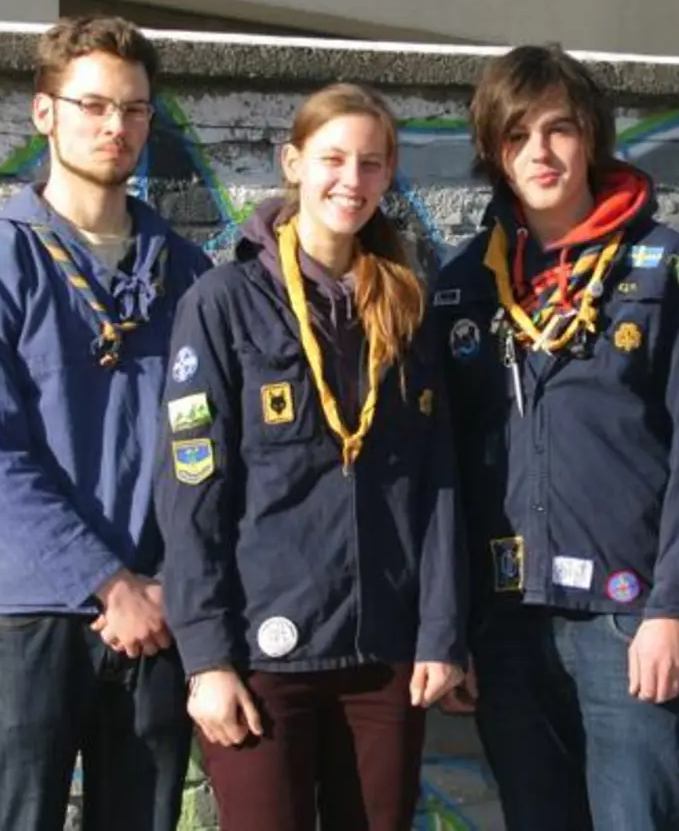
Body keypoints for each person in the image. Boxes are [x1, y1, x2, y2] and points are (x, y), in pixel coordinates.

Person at [431, 43, 679, 830]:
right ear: (494, 151)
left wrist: (671, 608)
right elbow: (443, 473)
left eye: (559, 129)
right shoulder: (463, 285)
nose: (540, 152)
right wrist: (453, 628)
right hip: (504, 624)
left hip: (626, 617)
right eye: (517, 135)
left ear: (591, 137)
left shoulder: (666, 271)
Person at [154, 82, 467, 831]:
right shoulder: (224, 302)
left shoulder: (405, 306)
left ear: (388, 175)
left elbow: (439, 483)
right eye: (332, 159)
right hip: (263, 655)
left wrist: (442, 633)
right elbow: (192, 492)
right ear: (292, 163)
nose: (351, 180)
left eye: (370, 163)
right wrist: (206, 660)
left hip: (385, 653)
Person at [0, 15, 213, 831]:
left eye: (133, 108)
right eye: (92, 105)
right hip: (30, 615)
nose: (115, 125)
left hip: (159, 612)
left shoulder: (187, 273)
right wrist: (109, 584)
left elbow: (212, 448)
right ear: (44, 113)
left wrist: (170, 584)